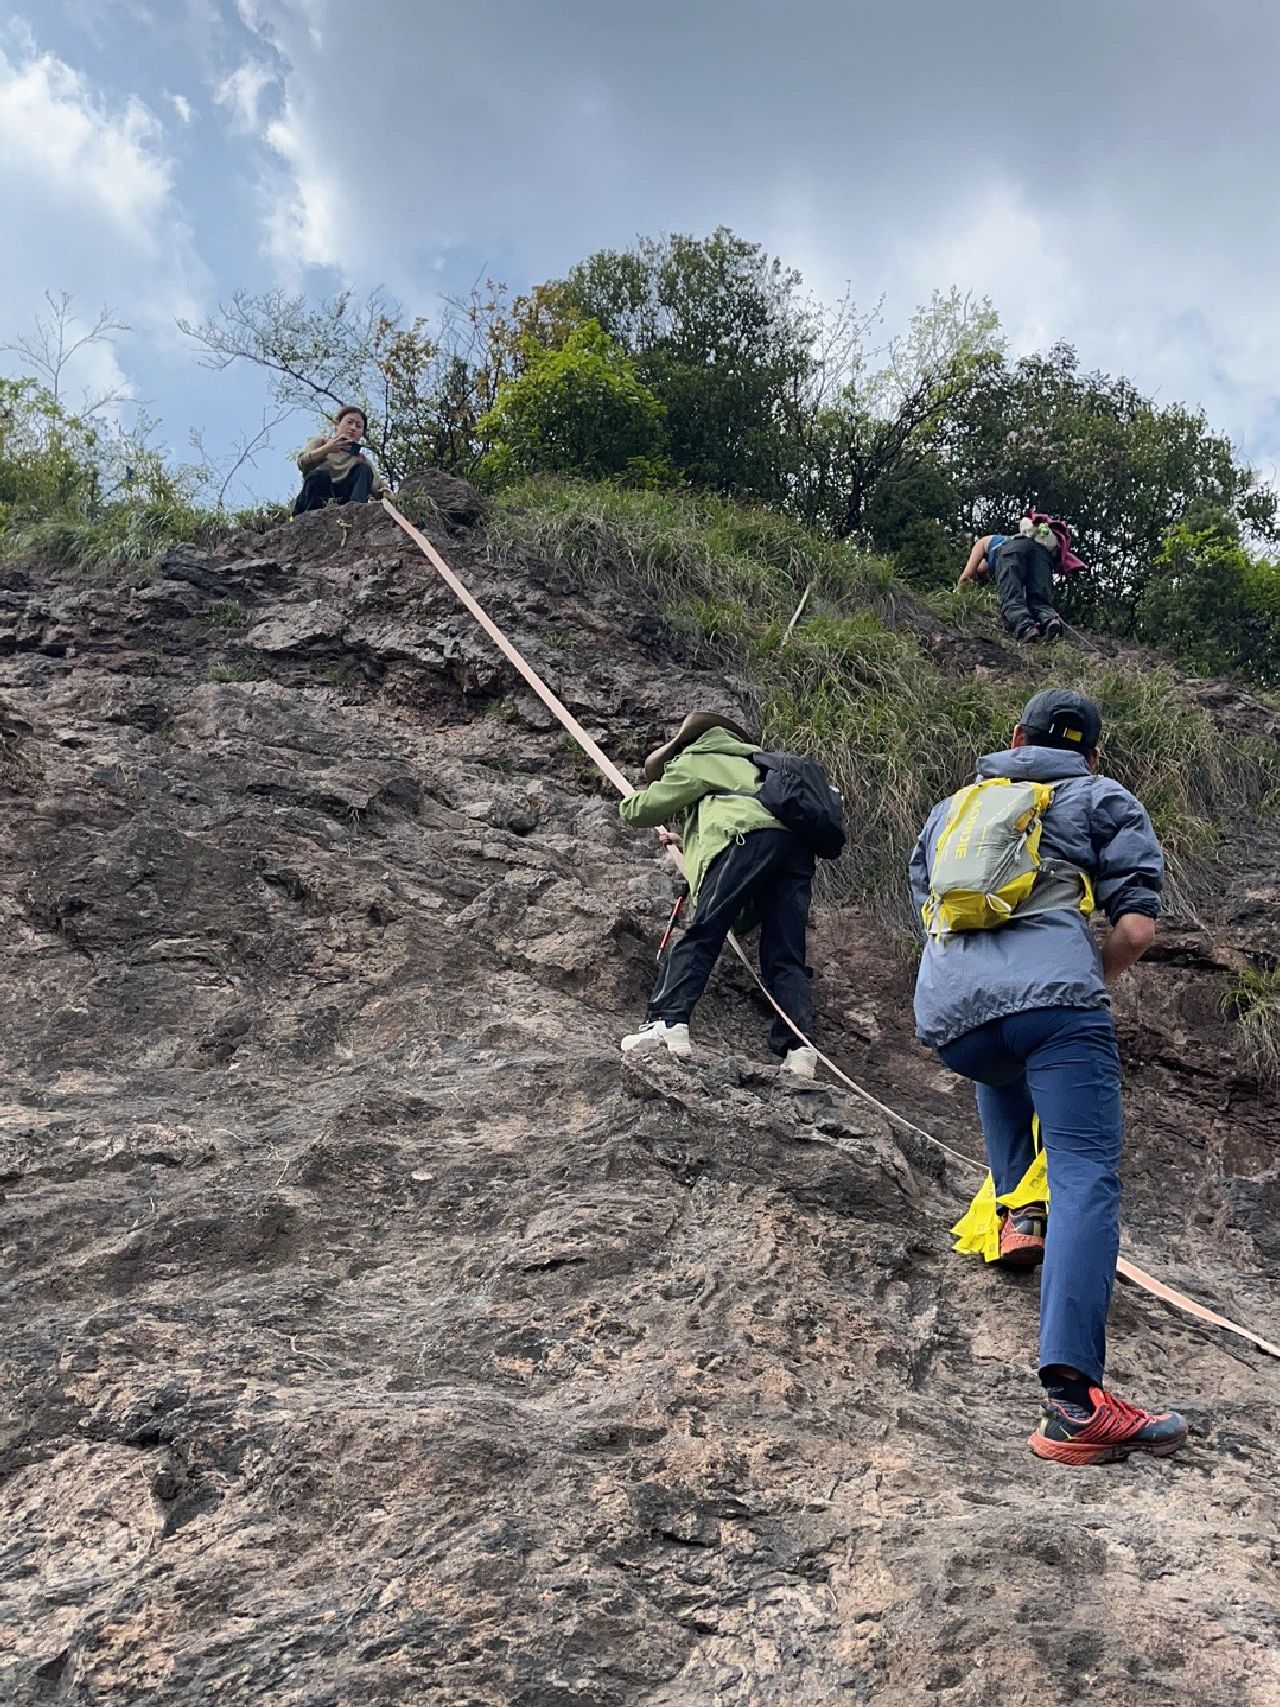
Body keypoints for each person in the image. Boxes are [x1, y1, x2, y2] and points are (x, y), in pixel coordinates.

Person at [909, 688, 1189, 1465]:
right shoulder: (1101, 796)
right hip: (1058, 1007)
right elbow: (1136, 924)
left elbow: (927, 908)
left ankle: (1015, 1216)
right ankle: (1073, 1404)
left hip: (951, 1015)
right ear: (1090, 754)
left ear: (1014, 737)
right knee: (1086, 1173)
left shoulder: (953, 809)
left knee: (1001, 1057)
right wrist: (1084, 977)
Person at [618, 711, 819, 1079]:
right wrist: (686, 842)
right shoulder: (760, 765)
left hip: (746, 840)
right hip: (796, 850)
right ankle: (800, 1049)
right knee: (785, 955)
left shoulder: (699, 757)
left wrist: (628, 803)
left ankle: (668, 1022)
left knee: (703, 933)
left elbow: (641, 811)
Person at [956, 518, 1064, 642]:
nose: (984, 576)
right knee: (1039, 599)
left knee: (1010, 597)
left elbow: (967, 575)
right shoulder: (1018, 543)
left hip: (1012, 551)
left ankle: (1026, 628)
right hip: (1042, 554)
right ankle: (1050, 620)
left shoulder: (985, 542)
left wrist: (957, 594)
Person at [292, 406, 388, 515]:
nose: (353, 428)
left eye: (358, 426)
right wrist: (326, 450)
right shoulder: (320, 443)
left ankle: (355, 512)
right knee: (319, 474)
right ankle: (311, 518)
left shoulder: (361, 460)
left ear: (362, 433)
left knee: (363, 469)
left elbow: (378, 487)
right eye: (349, 422)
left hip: (343, 500)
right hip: (314, 499)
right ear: (337, 424)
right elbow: (302, 462)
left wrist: (386, 493)